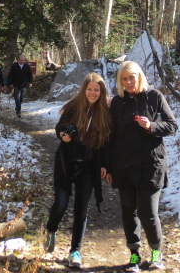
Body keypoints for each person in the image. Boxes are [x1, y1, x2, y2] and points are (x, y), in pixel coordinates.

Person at [102, 61, 178, 272]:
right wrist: (107, 167)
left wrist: (151, 126)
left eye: (131, 78)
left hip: (150, 164)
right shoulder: (116, 103)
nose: (128, 82)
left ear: (139, 77)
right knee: (128, 211)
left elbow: (172, 126)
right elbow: (109, 137)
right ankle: (134, 254)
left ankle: (156, 253)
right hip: (123, 165)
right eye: (124, 79)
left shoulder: (154, 96)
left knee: (147, 212)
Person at [44, 73, 113, 269]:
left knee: (81, 210)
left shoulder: (105, 112)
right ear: (84, 90)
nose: (92, 93)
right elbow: (59, 128)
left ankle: (75, 251)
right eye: (89, 89)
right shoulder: (73, 107)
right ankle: (51, 228)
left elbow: (107, 143)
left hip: (89, 165)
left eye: (96, 90)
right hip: (66, 162)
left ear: (101, 92)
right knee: (61, 203)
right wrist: (64, 135)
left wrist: (105, 165)